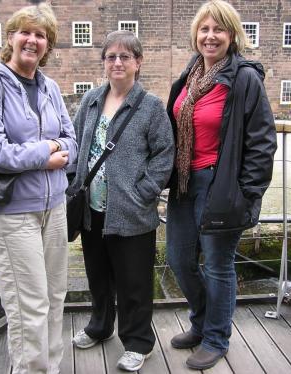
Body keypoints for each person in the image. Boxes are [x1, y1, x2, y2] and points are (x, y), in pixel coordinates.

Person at [0, 4, 77, 374]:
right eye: (25, 32)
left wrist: (58, 148)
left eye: (41, 35)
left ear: (48, 45)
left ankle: (51, 369)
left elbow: (72, 141)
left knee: (54, 297)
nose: (32, 40)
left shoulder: (50, 86)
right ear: (10, 37)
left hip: (54, 207)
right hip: (11, 212)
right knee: (29, 306)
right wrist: (45, 152)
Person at [165, 0, 277, 370]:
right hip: (184, 182)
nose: (210, 36)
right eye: (204, 29)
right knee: (180, 260)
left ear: (232, 35)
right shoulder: (190, 74)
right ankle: (201, 322)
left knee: (217, 265)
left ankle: (216, 337)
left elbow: (262, 142)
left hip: (221, 184)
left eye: (218, 29)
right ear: (196, 35)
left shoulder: (245, 79)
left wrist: (248, 194)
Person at [70, 30, 175, 372]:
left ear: (138, 62)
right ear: (104, 63)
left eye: (125, 57)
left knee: (134, 283)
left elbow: (164, 155)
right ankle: (100, 327)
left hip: (131, 212)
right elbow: (75, 143)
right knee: (98, 276)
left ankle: (138, 342)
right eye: (111, 56)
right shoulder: (91, 100)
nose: (117, 62)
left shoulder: (151, 107)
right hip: (92, 209)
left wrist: (144, 192)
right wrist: (74, 180)